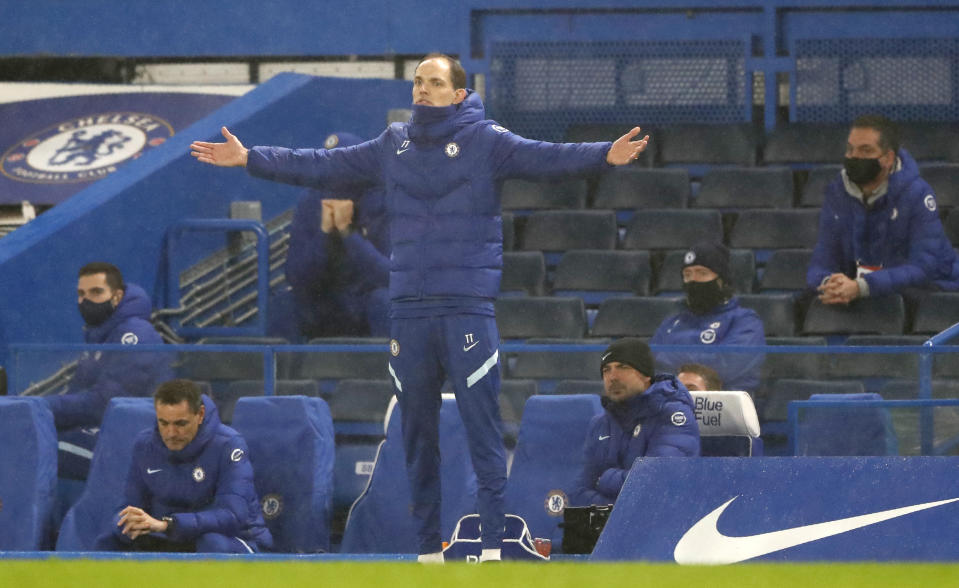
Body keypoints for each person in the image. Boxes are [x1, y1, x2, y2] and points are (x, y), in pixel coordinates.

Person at [190, 52, 649, 563]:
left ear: (458, 94)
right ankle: (429, 553)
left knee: (483, 437)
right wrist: (251, 157)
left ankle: (493, 551)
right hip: (407, 309)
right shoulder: (393, 145)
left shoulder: (487, 141)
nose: (422, 89)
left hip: (466, 307)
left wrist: (605, 153)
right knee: (416, 440)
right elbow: (320, 165)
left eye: (433, 82)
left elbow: (548, 156)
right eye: (417, 81)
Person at [96, 379, 273, 553]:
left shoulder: (229, 445)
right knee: (111, 541)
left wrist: (169, 524)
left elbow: (232, 515)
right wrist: (128, 524)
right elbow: (128, 505)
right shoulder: (145, 445)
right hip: (170, 535)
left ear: (200, 415)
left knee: (211, 543)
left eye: (181, 424)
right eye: (163, 423)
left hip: (235, 539)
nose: (171, 433)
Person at [807, 114, 959, 310]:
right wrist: (830, 283)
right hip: (868, 293)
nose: (855, 157)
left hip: (931, 291)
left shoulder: (917, 194)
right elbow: (822, 259)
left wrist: (862, 287)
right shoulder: (837, 193)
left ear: (888, 158)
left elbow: (923, 267)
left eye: (865, 150)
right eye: (850, 149)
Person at [45, 262, 172, 479]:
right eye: (81, 294)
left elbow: (104, 404)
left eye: (96, 292)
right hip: (99, 432)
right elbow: (78, 395)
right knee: (26, 440)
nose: (85, 301)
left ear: (116, 296)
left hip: (131, 442)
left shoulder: (135, 335)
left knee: (36, 448)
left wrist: (40, 406)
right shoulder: (99, 336)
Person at [285, 132, 390, 341]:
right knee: (286, 303)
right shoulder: (311, 201)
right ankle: (284, 372)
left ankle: (393, 371)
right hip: (328, 300)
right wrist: (325, 236)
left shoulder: (387, 201)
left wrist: (349, 235)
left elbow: (391, 276)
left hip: (369, 298)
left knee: (385, 301)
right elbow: (296, 276)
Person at [572, 338, 699, 507]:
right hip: (603, 526)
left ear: (646, 374)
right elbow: (577, 491)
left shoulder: (672, 415)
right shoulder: (600, 423)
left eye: (623, 367)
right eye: (606, 370)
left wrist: (604, 480)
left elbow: (655, 482)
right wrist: (611, 512)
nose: (613, 377)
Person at [650, 241, 765, 394]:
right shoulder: (673, 322)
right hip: (672, 403)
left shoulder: (745, 321)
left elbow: (726, 367)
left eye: (702, 273)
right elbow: (652, 365)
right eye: (687, 274)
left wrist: (671, 356)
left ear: (721, 280)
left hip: (725, 406)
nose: (693, 280)